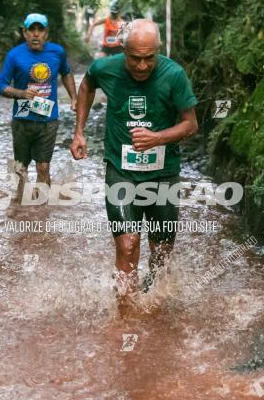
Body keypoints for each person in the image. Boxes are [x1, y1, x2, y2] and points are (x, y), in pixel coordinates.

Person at [70, 19, 198, 317]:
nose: (142, 66)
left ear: (158, 51)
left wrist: (157, 138)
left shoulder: (174, 76)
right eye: (135, 58)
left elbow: (191, 124)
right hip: (121, 171)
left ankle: (152, 310)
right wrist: (79, 131)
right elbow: (87, 85)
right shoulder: (106, 69)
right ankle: (126, 320)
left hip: (163, 174)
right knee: (128, 245)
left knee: (161, 252)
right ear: (122, 50)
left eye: (149, 58)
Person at [0, 13, 76, 198]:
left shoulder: (57, 52)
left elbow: (66, 73)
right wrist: (21, 93)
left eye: (40, 30)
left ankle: (41, 210)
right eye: (31, 30)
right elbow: (0, 85)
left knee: (43, 166)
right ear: (24, 33)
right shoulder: (14, 55)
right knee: (21, 169)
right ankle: (20, 205)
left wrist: (74, 98)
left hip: (48, 119)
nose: (36, 34)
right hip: (22, 120)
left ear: (46, 33)